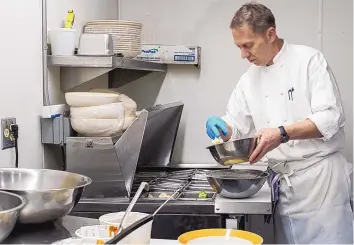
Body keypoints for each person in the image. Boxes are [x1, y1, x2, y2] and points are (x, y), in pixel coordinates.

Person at [206, 3, 353, 244]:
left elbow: (330, 118)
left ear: (270, 34)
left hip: (321, 185)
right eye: (239, 47)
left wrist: (282, 133)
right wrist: (223, 128)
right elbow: (236, 124)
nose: (243, 54)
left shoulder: (309, 61)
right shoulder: (248, 79)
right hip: (283, 186)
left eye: (248, 45)